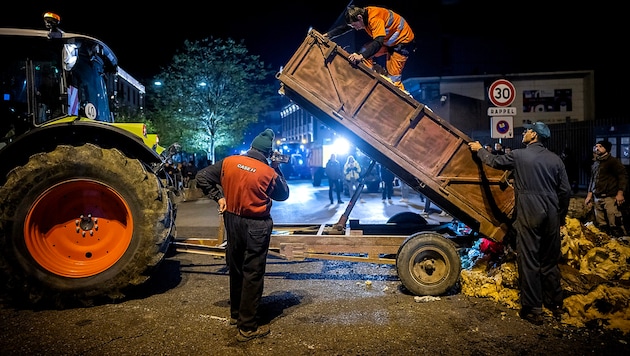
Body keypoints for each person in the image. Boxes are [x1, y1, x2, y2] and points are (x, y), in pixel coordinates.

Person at [468, 121, 571, 325]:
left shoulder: (519, 155)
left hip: (529, 212)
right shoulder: (556, 160)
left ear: (534, 136)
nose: (523, 134)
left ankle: (533, 309)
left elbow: (494, 162)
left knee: (529, 260)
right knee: (549, 262)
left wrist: (479, 150)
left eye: (527, 131)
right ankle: (556, 305)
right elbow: (565, 191)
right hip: (551, 213)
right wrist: (561, 217)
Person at [195, 128, 290, 342]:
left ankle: (236, 314)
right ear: (268, 152)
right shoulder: (268, 172)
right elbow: (283, 194)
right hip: (256, 225)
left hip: (232, 220)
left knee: (236, 267)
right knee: (252, 272)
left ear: (251, 148)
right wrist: (277, 168)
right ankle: (247, 327)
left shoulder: (229, 162)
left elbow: (202, 177)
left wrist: (219, 197)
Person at [324, 5, 415, 92]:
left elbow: (378, 42)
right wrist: (329, 35)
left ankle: (403, 102)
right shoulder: (363, 15)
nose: (355, 28)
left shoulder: (374, 19)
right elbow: (345, 28)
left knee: (394, 80)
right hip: (388, 42)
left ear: (360, 17)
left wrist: (361, 56)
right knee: (365, 51)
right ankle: (367, 78)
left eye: (355, 25)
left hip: (401, 44)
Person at [584, 140, 627, 237]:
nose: (597, 148)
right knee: (601, 225)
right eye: (596, 146)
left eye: (600, 146)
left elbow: (622, 177)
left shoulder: (613, 162)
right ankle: (606, 246)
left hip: (610, 198)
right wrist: (589, 195)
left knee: (615, 224)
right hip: (597, 198)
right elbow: (593, 179)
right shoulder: (596, 163)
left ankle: (622, 246)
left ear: (606, 149)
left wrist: (620, 193)